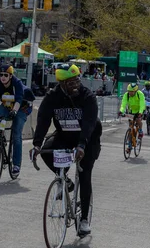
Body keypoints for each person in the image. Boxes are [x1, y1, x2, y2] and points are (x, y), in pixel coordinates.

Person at [29, 64, 102, 236]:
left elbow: (89, 123)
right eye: (70, 82)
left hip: (88, 139)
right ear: (61, 84)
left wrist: (82, 145)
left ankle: (84, 219)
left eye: (77, 79)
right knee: (47, 151)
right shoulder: (52, 97)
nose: (75, 84)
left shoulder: (88, 97)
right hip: (64, 136)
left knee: (84, 175)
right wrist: (37, 144)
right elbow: (43, 120)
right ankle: (65, 180)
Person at [0, 63, 33, 177]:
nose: (3, 77)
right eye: (1, 75)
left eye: (6, 75)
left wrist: (14, 111)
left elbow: (19, 99)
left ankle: (16, 165)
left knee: (16, 134)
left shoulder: (17, 83)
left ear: (10, 76)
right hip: (7, 104)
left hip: (22, 107)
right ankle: (1, 139)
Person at [119, 83, 146, 153]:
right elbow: (123, 104)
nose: (130, 93)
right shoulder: (126, 95)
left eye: (132, 91)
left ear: (135, 91)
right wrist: (121, 111)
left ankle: (140, 131)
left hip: (139, 110)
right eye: (129, 91)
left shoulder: (140, 94)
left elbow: (142, 103)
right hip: (131, 111)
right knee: (130, 127)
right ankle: (129, 145)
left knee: (138, 120)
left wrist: (140, 112)